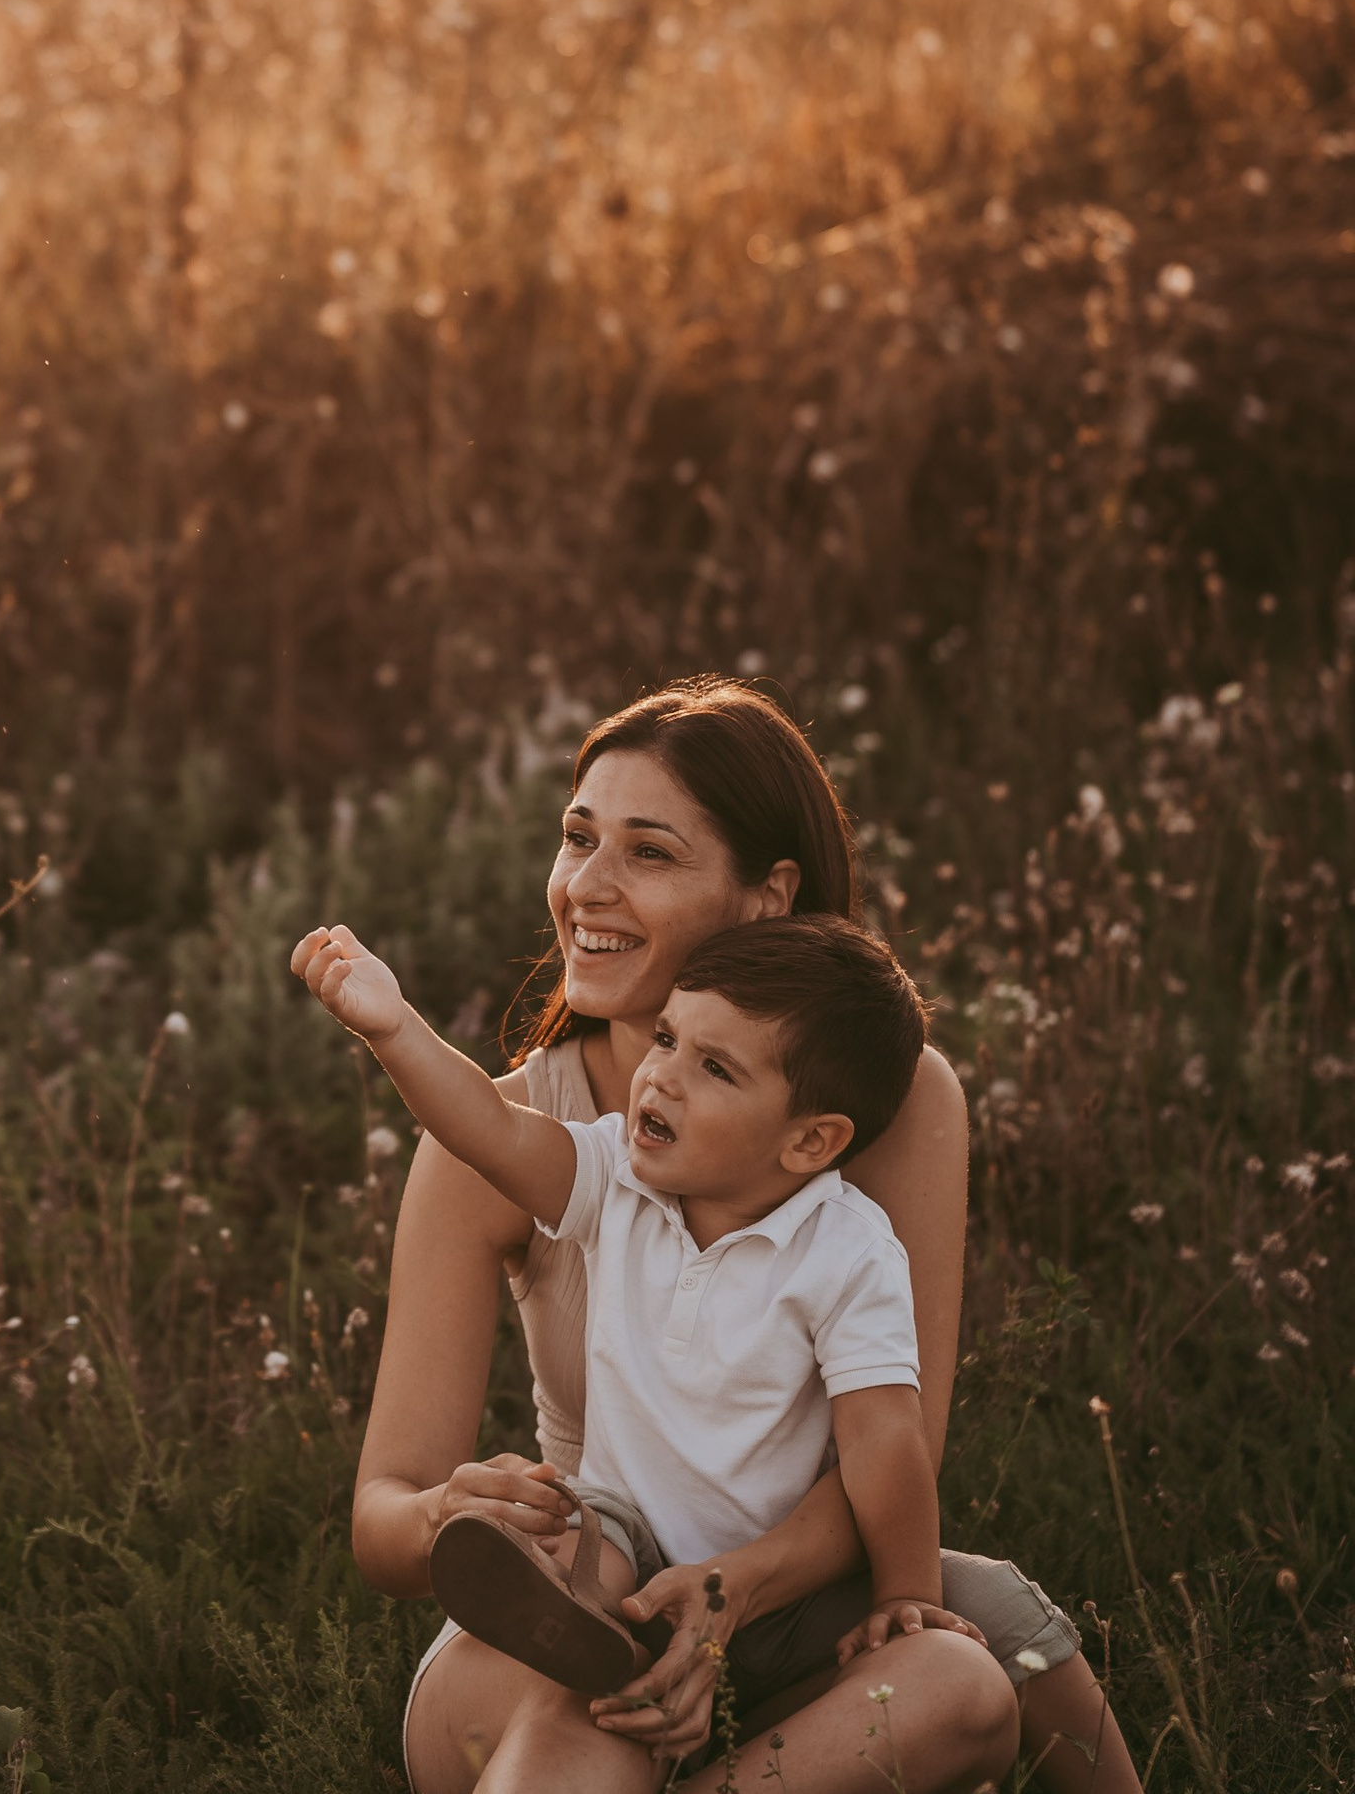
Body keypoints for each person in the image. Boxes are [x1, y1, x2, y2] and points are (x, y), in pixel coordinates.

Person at [350, 676, 1143, 1794]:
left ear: (768, 897)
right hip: (583, 1599)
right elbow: (381, 1517)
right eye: (578, 837)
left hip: (791, 1602)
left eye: (649, 852)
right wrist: (444, 1511)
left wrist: (729, 1596)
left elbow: (891, 1445)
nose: (587, 884)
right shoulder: (515, 1140)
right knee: (592, 1707)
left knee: (999, 1650)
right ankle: (624, 1688)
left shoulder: (895, 1104)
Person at [298, 910, 976, 1712]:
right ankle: (590, 1637)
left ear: (809, 1142)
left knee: (1029, 1641)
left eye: (714, 1068)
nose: (662, 1077)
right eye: (665, 1039)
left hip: (776, 1566)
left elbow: (885, 1439)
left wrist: (905, 1592)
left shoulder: (848, 1253)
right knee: (567, 1533)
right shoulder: (616, 1175)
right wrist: (393, 1027)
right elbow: (490, 1133)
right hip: (622, 1530)